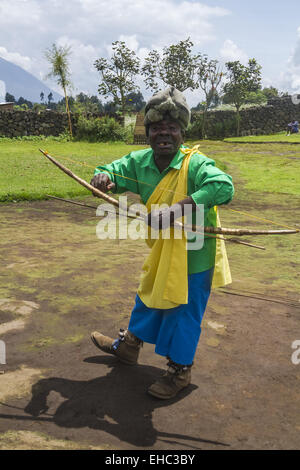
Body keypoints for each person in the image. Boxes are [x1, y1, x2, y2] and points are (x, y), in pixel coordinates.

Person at [90, 87, 234, 400]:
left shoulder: (195, 165)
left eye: (171, 128)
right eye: (156, 128)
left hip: (195, 252)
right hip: (162, 246)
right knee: (149, 294)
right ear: (148, 132)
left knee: (184, 311)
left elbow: (223, 186)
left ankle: (179, 372)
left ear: (182, 132)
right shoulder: (139, 162)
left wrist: (178, 209)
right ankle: (128, 347)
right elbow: (108, 172)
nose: (163, 134)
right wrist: (101, 178)